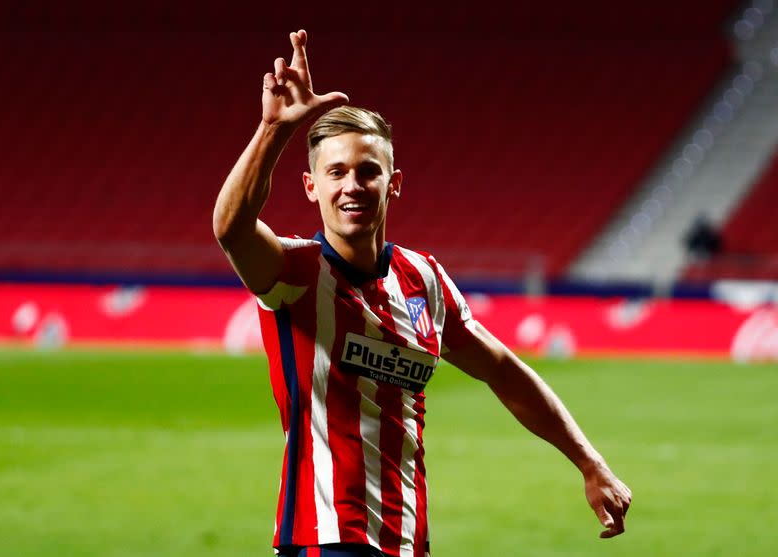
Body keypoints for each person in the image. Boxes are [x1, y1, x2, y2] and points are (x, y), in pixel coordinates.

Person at [213, 29, 631, 557]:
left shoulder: (424, 279)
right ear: (310, 186)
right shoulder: (294, 271)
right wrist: (274, 130)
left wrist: (590, 462)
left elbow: (502, 370)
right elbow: (231, 228)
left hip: (409, 542)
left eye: (369, 172)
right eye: (335, 172)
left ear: (395, 183)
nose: (352, 185)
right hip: (325, 541)